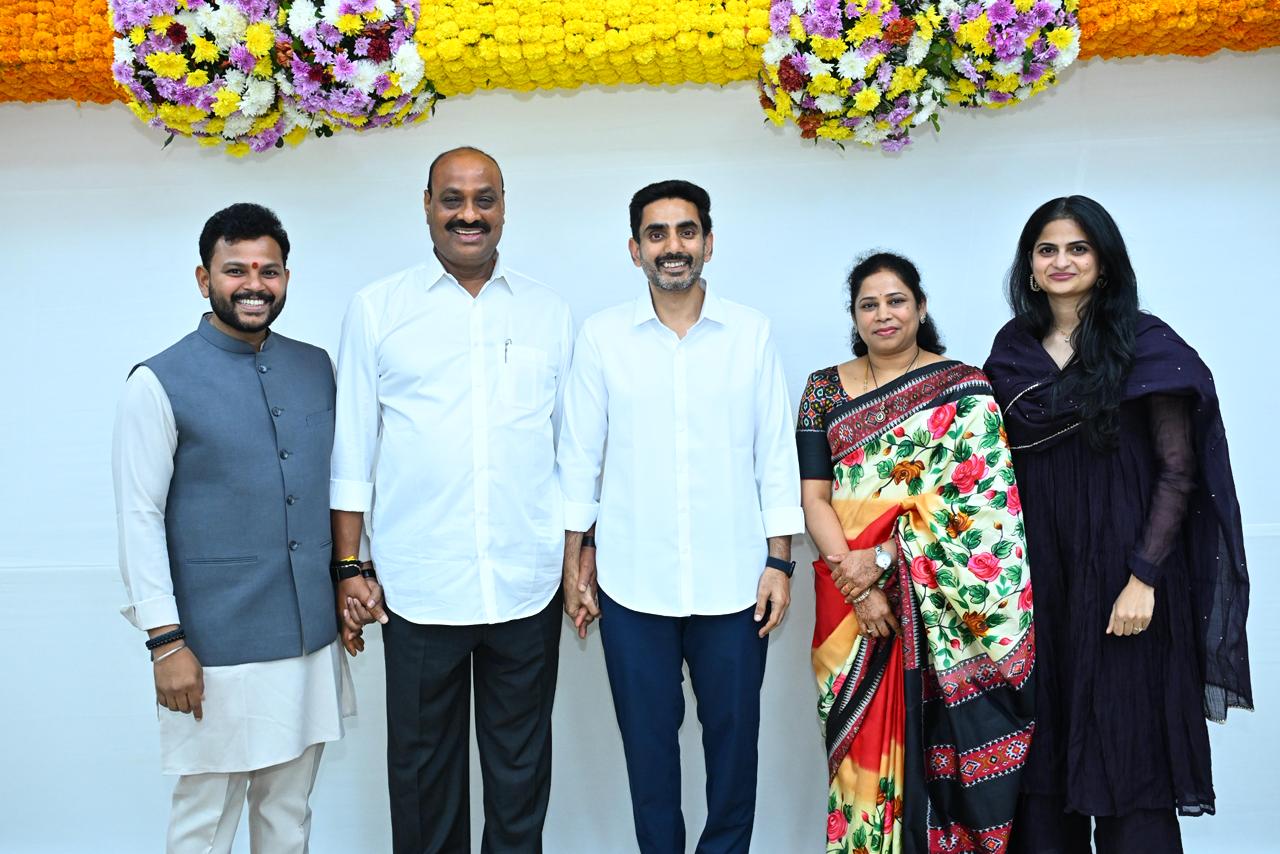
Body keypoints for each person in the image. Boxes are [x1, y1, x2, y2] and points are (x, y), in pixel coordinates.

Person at [984, 196, 1252, 854]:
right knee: (1044, 758)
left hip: (1123, 583)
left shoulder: (1144, 343)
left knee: (1129, 753)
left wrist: (1144, 577)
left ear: (1103, 262)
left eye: (1078, 248)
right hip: (1039, 582)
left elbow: (1178, 471)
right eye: (1047, 249)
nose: (1062, 261)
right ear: (1029, 265)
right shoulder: (1012, 350)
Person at [330, 147, 573, 853]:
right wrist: (348, 567)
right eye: (453, 198)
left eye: (484, 198)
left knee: (521, 782)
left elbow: (572, 453)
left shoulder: (548, 311)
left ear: (504, 207)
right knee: (422, 782)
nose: (469, 214)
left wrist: (576, 559)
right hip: (418, 585)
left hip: (525, 584)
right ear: (427, 206)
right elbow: (351, 450)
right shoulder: (377, 308)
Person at [556, 179, 804, 853]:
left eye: (687, 231)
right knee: (647, 751)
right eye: (657, 233)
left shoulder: (750, 333)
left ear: (709, 243)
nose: (673, 246)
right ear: (634, 249)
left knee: (735, 747)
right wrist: (575, 561)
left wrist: (780, 562)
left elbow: (774, 456)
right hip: (632, 583)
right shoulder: (602, 336)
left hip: (736, 583)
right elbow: (579, 457)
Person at [113, 203, 353, 853]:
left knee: (289, 812)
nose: (254, 284)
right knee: (205, 820)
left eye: (268, 270)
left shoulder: (316, 367)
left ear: (286, 277)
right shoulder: (157, 382)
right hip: (212, 646)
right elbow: (138, 517)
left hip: (308, 638)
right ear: (204, 279)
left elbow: (337, 486)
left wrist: (350, 578)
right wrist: (165, 642)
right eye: (236, 270)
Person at [797, 252, 1035, 853]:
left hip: (938, 599)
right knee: (856, 752)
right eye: (868, 305)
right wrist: (856, 584)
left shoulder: (964, 388)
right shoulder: (822, 389)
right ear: (854, 316)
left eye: (896, 301)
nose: (883, 314)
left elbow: (982, 506)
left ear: (921, 307)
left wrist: (883, 561)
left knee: (932, 746)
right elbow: (814, 498)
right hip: (845, 596)